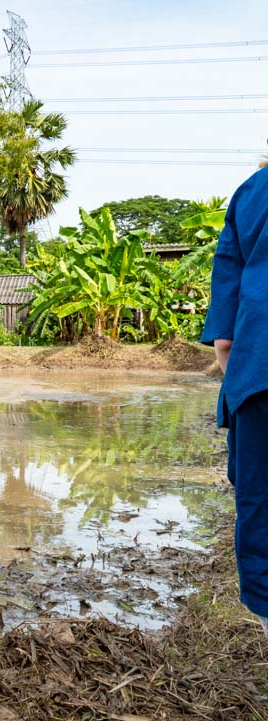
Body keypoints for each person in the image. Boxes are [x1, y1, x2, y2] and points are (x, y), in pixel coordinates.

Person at [202, 161, 268, 638]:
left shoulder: (253, 194)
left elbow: (223, 335)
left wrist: (238, 363)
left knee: (262, 510)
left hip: (259, 370)